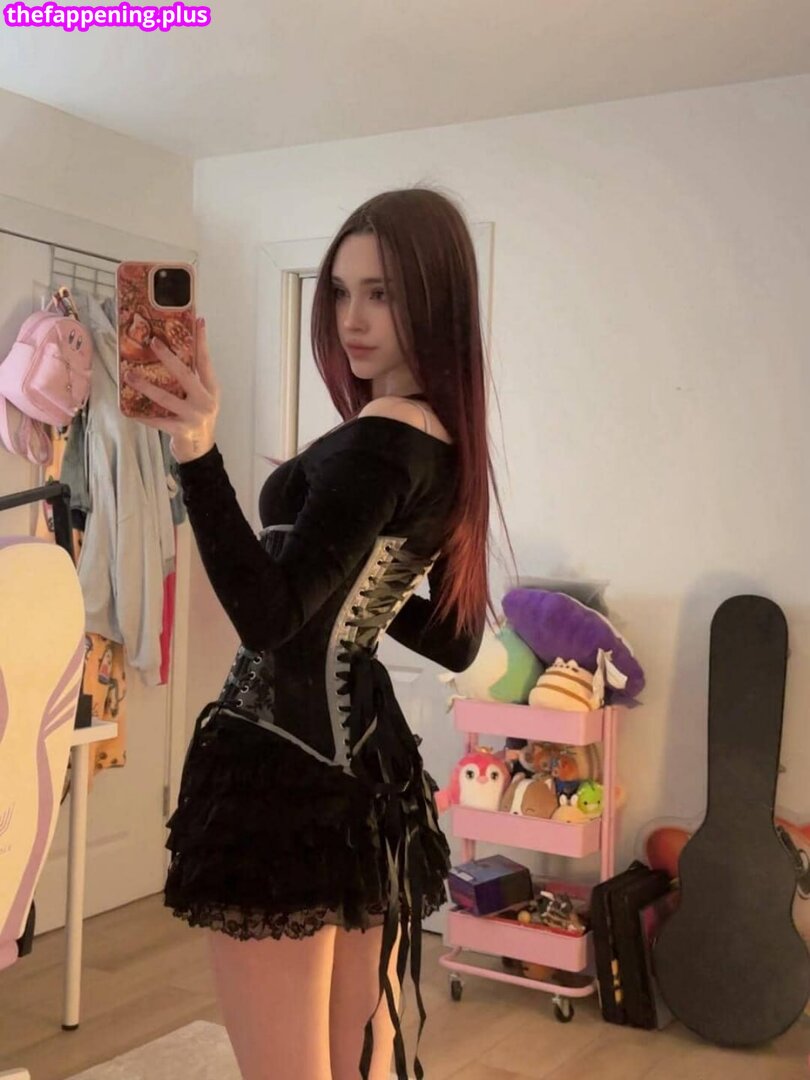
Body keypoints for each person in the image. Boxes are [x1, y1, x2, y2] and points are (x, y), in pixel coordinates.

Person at [125, 187, 504, 1080]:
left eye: (382, 293)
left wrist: (197, 453)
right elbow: (455, 640)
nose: (352, 319)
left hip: (283, 771)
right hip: (363, 774)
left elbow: (267, 617)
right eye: (339, 292)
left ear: (436, 300)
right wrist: (356, 597)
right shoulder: (443, 441)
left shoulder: (381, 439)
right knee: (354, 1059)